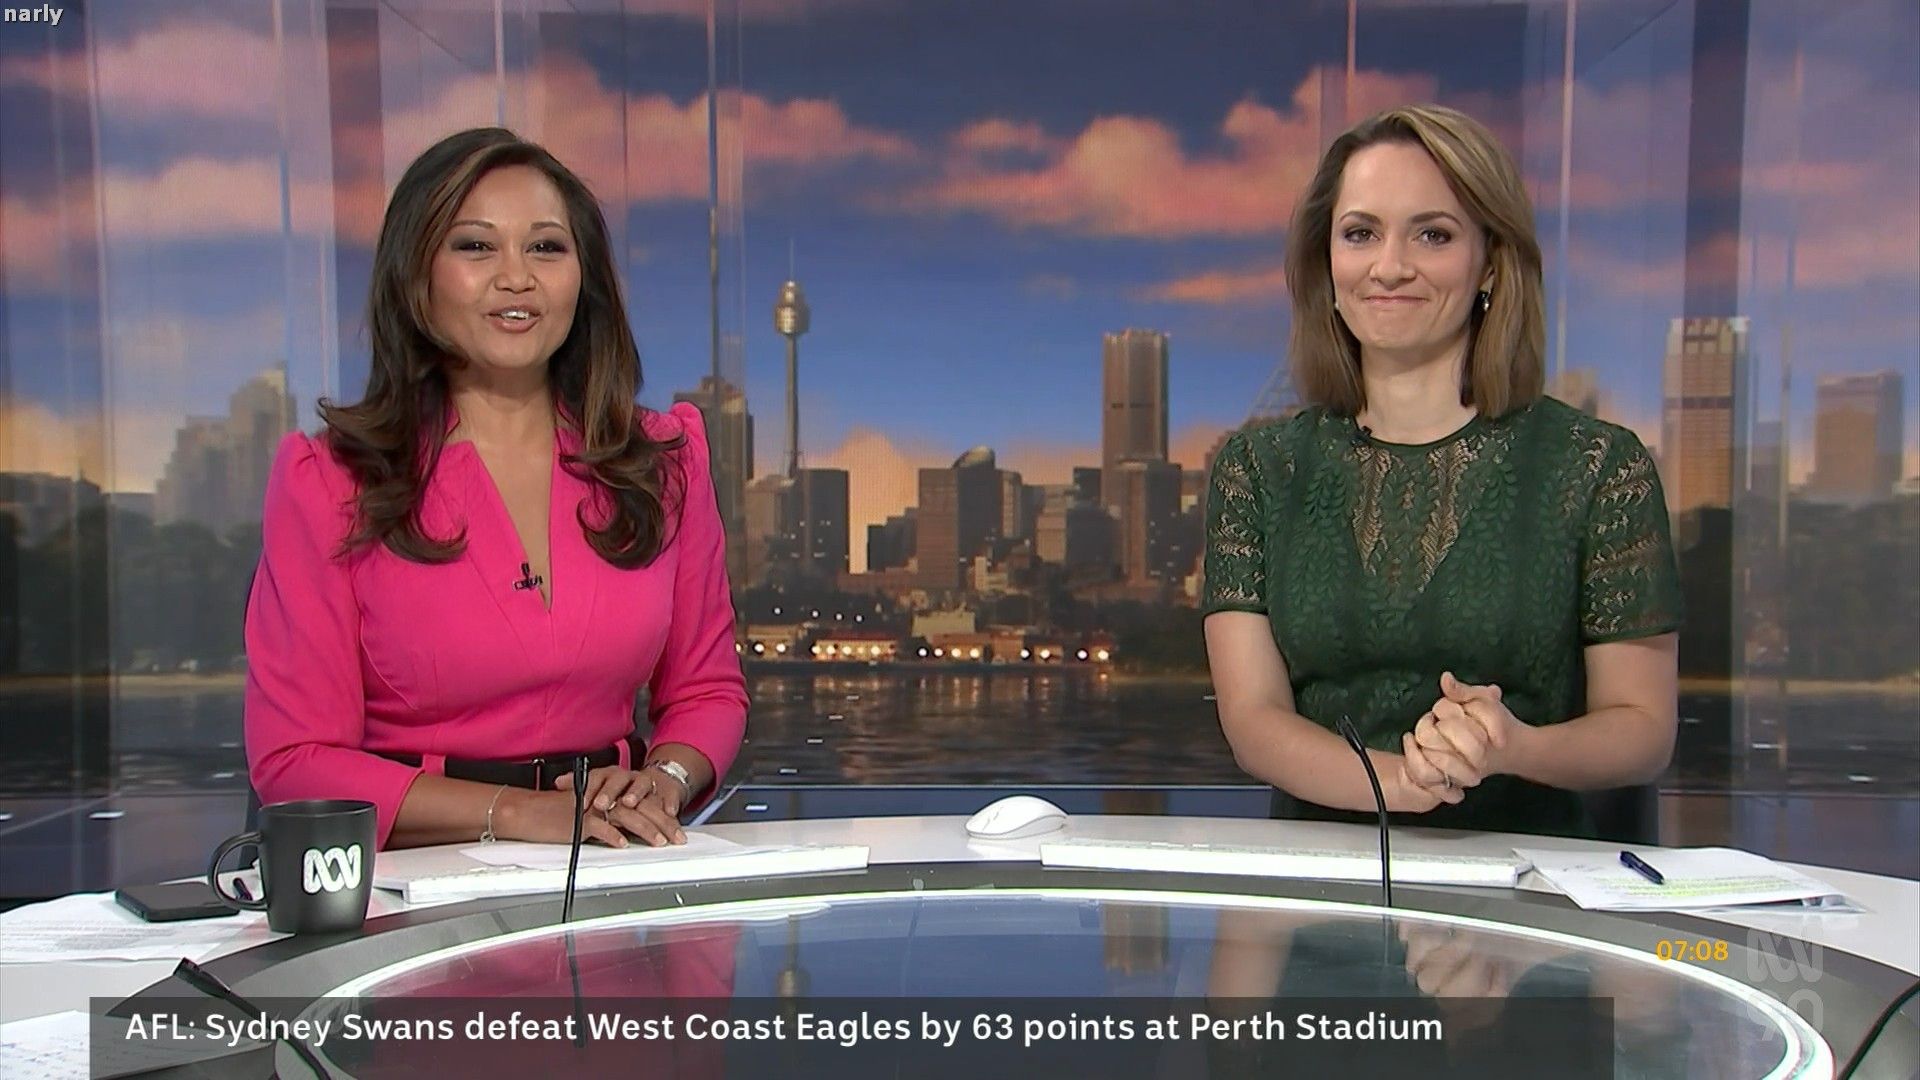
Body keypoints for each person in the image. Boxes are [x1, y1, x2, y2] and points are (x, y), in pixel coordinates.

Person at [244, 127, 748, 851]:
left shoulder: (661, 461)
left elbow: (707, 690)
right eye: (476, 246)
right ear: (417, 274)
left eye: (546, 247)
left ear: (583, 278)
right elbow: (295, 761)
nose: (517, 278)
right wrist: (516, 814)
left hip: (612, 856)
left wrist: (664, 779)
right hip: (414, 871)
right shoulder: (332, 479)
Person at [1201, 104, 1682, 839]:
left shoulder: (1598, 467)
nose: (1391, 266)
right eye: (1360, 234)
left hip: (1529, 881)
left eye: (1433, 234)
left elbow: (1642, 727)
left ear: (1489, 261)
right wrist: (1406, 781)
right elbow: (1253, 722)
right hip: (1321, 878)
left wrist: (1512, 747)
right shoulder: (1258, 471)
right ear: (1326, 263)